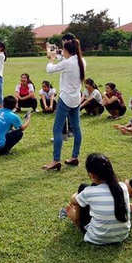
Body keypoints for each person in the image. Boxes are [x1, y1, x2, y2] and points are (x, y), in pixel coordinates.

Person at [64, 153, 131, 245]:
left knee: (82, 187)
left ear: (92, 175)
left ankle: (76, 219)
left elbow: (73, 200)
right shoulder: (122, 187)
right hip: (121, 235)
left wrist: (82, 192)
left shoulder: (89, 192)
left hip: (97, 237)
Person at [43, 38, 85, 170]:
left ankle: (56, 160)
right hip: (76, 99)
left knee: (57, 130)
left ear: (67, 50)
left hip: (65, 99)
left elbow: (49, 69)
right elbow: (66, 60)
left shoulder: (68, 63)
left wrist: (51, 58)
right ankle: (75, 156)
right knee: (76, 128)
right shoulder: (81, 61)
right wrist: (54, 53)